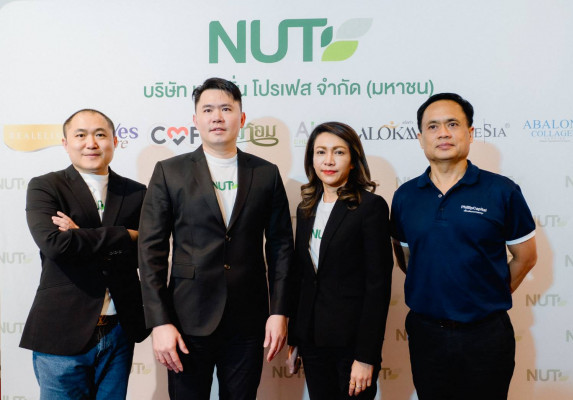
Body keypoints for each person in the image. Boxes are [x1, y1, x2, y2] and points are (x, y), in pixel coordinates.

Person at [138, 77, 294, 399]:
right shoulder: (170, 172)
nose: (217, 117)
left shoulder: (266, 173)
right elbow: (151, 251)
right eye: (208, 110)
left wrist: (279, 311)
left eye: (226, 108)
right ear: (195, 120)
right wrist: (159, 321)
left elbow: (281, 248)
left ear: (241, 117)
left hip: (248, 319)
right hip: (186, 318)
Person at [390, 93, 538, 400]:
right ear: (420, 138)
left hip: (486, 335)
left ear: (470, 133)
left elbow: (525, 257)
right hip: (427, 334)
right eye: (433, 126)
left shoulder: (502, 191)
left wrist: (487, 294)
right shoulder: (405, 196)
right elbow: (407, 259)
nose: (443, 133)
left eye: (452, 124)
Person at [21, 109, 149, 399]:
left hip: (119, 330)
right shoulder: (46, 187)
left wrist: (80, 234)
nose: (91, 143)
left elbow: (146, 252)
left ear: (114, 141)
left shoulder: (136, 193)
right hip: (61, 330)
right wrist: (125, 235)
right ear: (66, 143)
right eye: (81, 135)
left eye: (100, 134)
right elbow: (56, 245)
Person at [288, 122, 393, 399]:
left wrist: (366, 356)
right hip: (312, 342)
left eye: (339, 152)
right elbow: (303, 279)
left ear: (353, 160)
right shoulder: (306, 208)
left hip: (352, 346)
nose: (329, 161)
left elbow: (378, 287)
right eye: (321, 152)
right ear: (311, 159)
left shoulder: (370, 207)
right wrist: (295, 338)